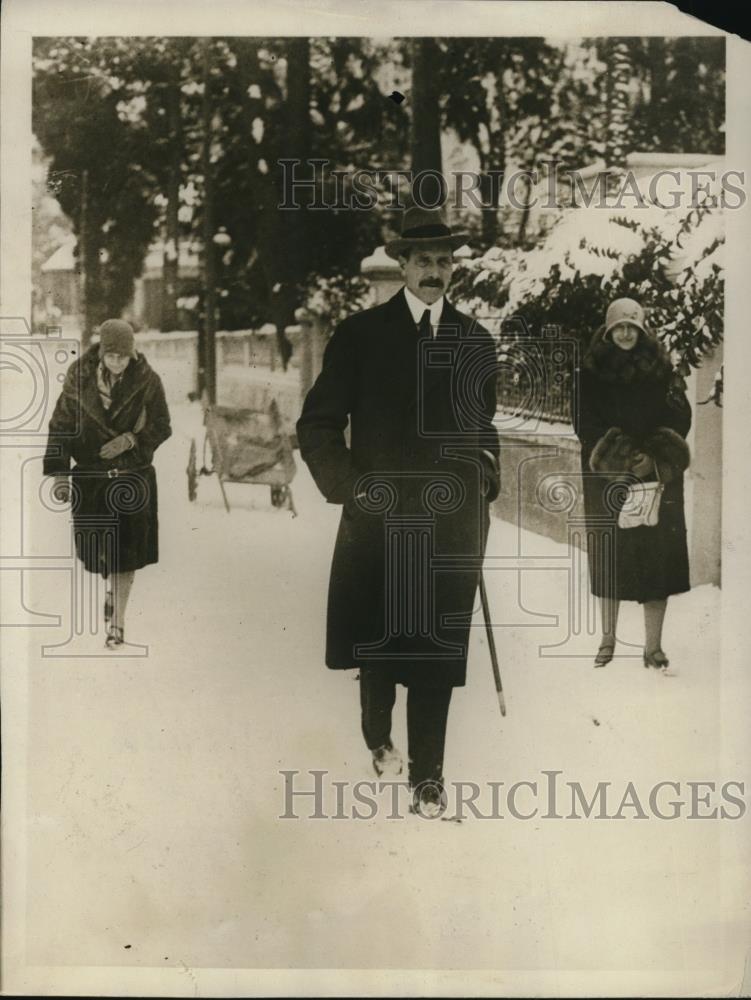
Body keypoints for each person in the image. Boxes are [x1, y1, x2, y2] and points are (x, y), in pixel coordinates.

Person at [296, 205, 500, 817]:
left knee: (435, 649)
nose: (434, 272)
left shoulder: (474, 341)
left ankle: (429, 779)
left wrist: (485, 472)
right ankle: (377, 733)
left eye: (444, 262)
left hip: (449, 522)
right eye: (423, 261)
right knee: (380, 646)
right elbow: (318, 424)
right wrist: (350, 487)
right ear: (402, 265)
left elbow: (483, 428)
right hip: (379, 518)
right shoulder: (360, 336)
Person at [573, 298, 692, 671]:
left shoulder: (662, 368)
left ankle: (653, 647)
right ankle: (607, 640)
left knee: (657, 557)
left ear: (642, 330)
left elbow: (680, 415)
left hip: (656, 475)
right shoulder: (590, 372)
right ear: (608, 332)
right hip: (608, 477)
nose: (625, 333)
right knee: (610, 557)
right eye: (618, 327)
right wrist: (622, 458)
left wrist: (652, 458)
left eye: (632, 327)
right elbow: (584, 422)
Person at [43, 318, 172, 648]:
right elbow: (60, 425)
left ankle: (118, 623)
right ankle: (111, 587)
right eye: (112, 355)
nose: (118, 362)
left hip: (132, 477)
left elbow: (162, 425)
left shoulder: (147, 380)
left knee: (126, 554)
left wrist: (130, 440)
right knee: (96, 551)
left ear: (132, 354)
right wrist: (58, 471)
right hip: (91, 479)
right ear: (101, 352)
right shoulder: (79, 378)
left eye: (123, 356)